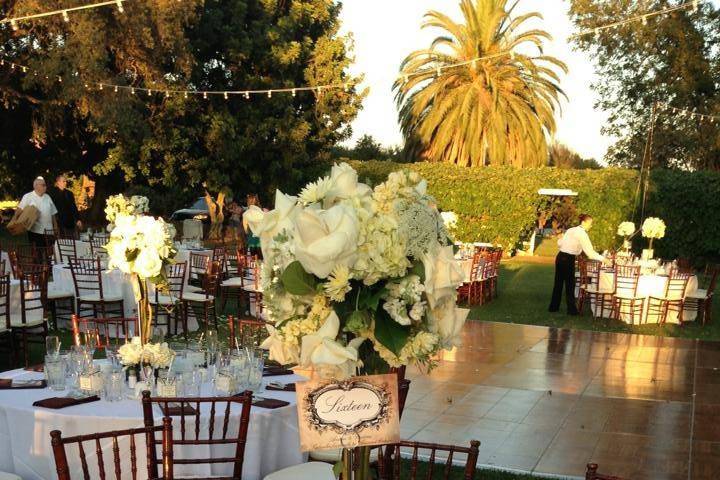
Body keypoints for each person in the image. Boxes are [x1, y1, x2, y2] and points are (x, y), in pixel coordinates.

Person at [548, 213, 606, 315]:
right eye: (590, 223)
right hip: (568, 259)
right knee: (570, 285)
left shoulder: (571, 230)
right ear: (583, 222)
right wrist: (603, 259)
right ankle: (571, 311)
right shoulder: (582, 234)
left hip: (560, 257)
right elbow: (590, 252)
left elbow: (560, 243)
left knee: (558, 283)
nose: (591, 226)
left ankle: (553, 308)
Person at [17, 176, 59, 260]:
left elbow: (53, 213)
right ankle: (38, 272)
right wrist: (15, 221)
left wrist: (55, 226)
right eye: (43, 185)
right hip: (35, 231)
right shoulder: (28, 196)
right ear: (36, 186)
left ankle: (49, 271)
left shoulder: (47, 197)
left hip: (49, 231)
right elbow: (19, 209)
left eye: (45, 185)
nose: (45, 187)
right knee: (37, 254)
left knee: (50, 254)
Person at [48, 174, 82, 238]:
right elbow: (51, 208)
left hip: (70, 222)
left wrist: (78, 219)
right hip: (58, 222)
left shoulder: (69, 193)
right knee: (61, 242)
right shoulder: (52, 193)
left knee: (71, 241)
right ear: (58, 182)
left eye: (65, 181)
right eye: (63, 181)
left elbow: (73, 207)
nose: (65, 183)